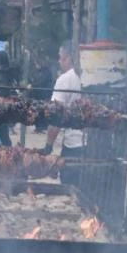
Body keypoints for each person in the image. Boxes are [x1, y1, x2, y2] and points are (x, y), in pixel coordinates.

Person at [41, 44, 83, 186]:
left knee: (71, 188)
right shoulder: (86, 77)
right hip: (93, 146)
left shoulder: (65, 79)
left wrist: (48, 145)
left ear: (68, 58)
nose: (59, 61)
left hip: (74, 145)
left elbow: (56, 115)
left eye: (60, 58)